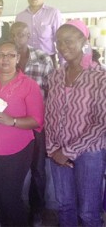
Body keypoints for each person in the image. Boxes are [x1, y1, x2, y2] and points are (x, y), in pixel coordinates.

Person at [0, 41, 44, 226]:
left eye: (10, 55)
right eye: (0, 55)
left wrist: (12, 121)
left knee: (10, 198)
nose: (4, 59)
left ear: (18, 58)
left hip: (17, 150)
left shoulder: (29, 85)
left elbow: (37, 120)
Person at [45, 20, 106, 226]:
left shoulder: (99, 77)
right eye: (59, 42)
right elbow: (50, 114)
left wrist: (68, 151)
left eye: (69, 41)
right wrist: (52, 148)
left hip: (89, 153)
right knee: (65, 207)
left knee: (88, 212)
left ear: (84, 41)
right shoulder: (55, 76)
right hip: (58, 151)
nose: (63, 47)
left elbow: (101, 123)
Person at [10, 21, 54, 225]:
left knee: (37, 169)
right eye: (14, 34)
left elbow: (51, 92)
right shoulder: (7, 60)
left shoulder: (43, 58)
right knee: (12, 168)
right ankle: (11, 205)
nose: (18, 38)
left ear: (29, 36)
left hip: (36, 124)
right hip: (12, 124)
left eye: (22, 34)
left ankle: (37, 209)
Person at [15, 0, 62, 68]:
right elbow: (17, 41)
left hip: (47, 59)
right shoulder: (20, 17)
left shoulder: (53, 13)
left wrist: (63, 64)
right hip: (26, 60)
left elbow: (60, 40)